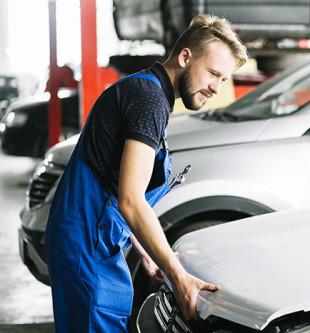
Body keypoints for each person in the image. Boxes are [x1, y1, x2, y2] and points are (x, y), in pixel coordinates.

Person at [44, 14, 248, 333]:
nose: (216, 88)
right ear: (185, 57)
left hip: (93, 240)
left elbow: (115, 185)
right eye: (213, 73)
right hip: (87, 245)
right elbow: (130, 200)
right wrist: (179, 277)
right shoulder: (148, 98)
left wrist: (148, 253)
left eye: (223, 79)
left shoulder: (147, 91)